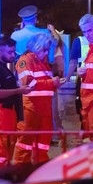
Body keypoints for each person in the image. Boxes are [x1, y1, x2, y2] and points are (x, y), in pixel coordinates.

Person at [13, 31, 61, 165]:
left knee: (43, 144)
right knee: (25, 144)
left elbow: (46, 86)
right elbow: (28, 83)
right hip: (30, 108)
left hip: (44, 109)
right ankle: (20, 172)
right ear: (37, 46)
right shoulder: (26, 60)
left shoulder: (44, 63)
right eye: (45, 50)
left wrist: (55, 84)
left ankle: (40, 171)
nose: (46, 53)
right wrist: (52, 83)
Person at [0, 36, 27, 173]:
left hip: (8, 112)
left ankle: (4, 175)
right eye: (10, 52)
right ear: (0, 51)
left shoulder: (3, 68)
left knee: (8, 147)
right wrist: (18, 90)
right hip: (2, 112)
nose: (13, 55)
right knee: (1, 148)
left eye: (14, 52)